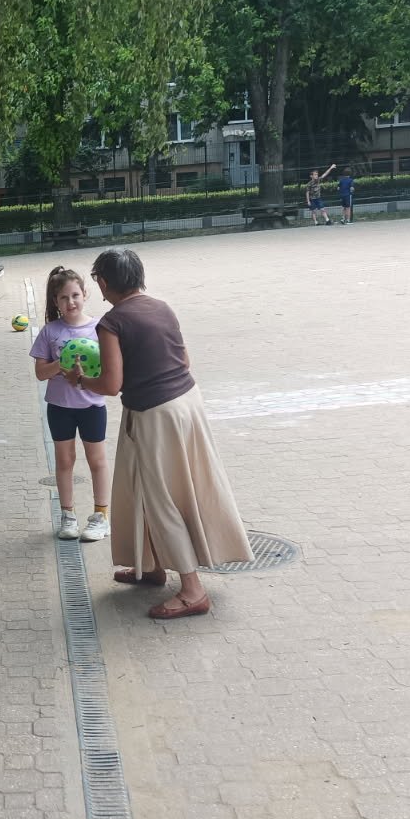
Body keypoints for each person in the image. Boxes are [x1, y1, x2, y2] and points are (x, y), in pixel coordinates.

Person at [82, 248, 252, 619]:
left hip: (154, 414)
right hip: (187, 403)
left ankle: (192, 591)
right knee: (145, 488)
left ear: (104, 282)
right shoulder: (162, 307)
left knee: (161, 498)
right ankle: (152, 566)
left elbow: (111, 384)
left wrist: (79, 379)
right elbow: (184, 360)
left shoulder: (112, 322)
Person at [29, 267, 111, 542]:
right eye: (64, 297)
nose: (71, 302)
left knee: (97, 461)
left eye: (75, 295)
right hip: (60, 407)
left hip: (92, 406)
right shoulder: (50, 331)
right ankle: (68, 516)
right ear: (56, 301)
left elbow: (109, 368)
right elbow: (41, 373)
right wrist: (61, 362)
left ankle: (101, 516)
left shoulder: (100, 328)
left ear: (85, 294)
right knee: (64, 461)